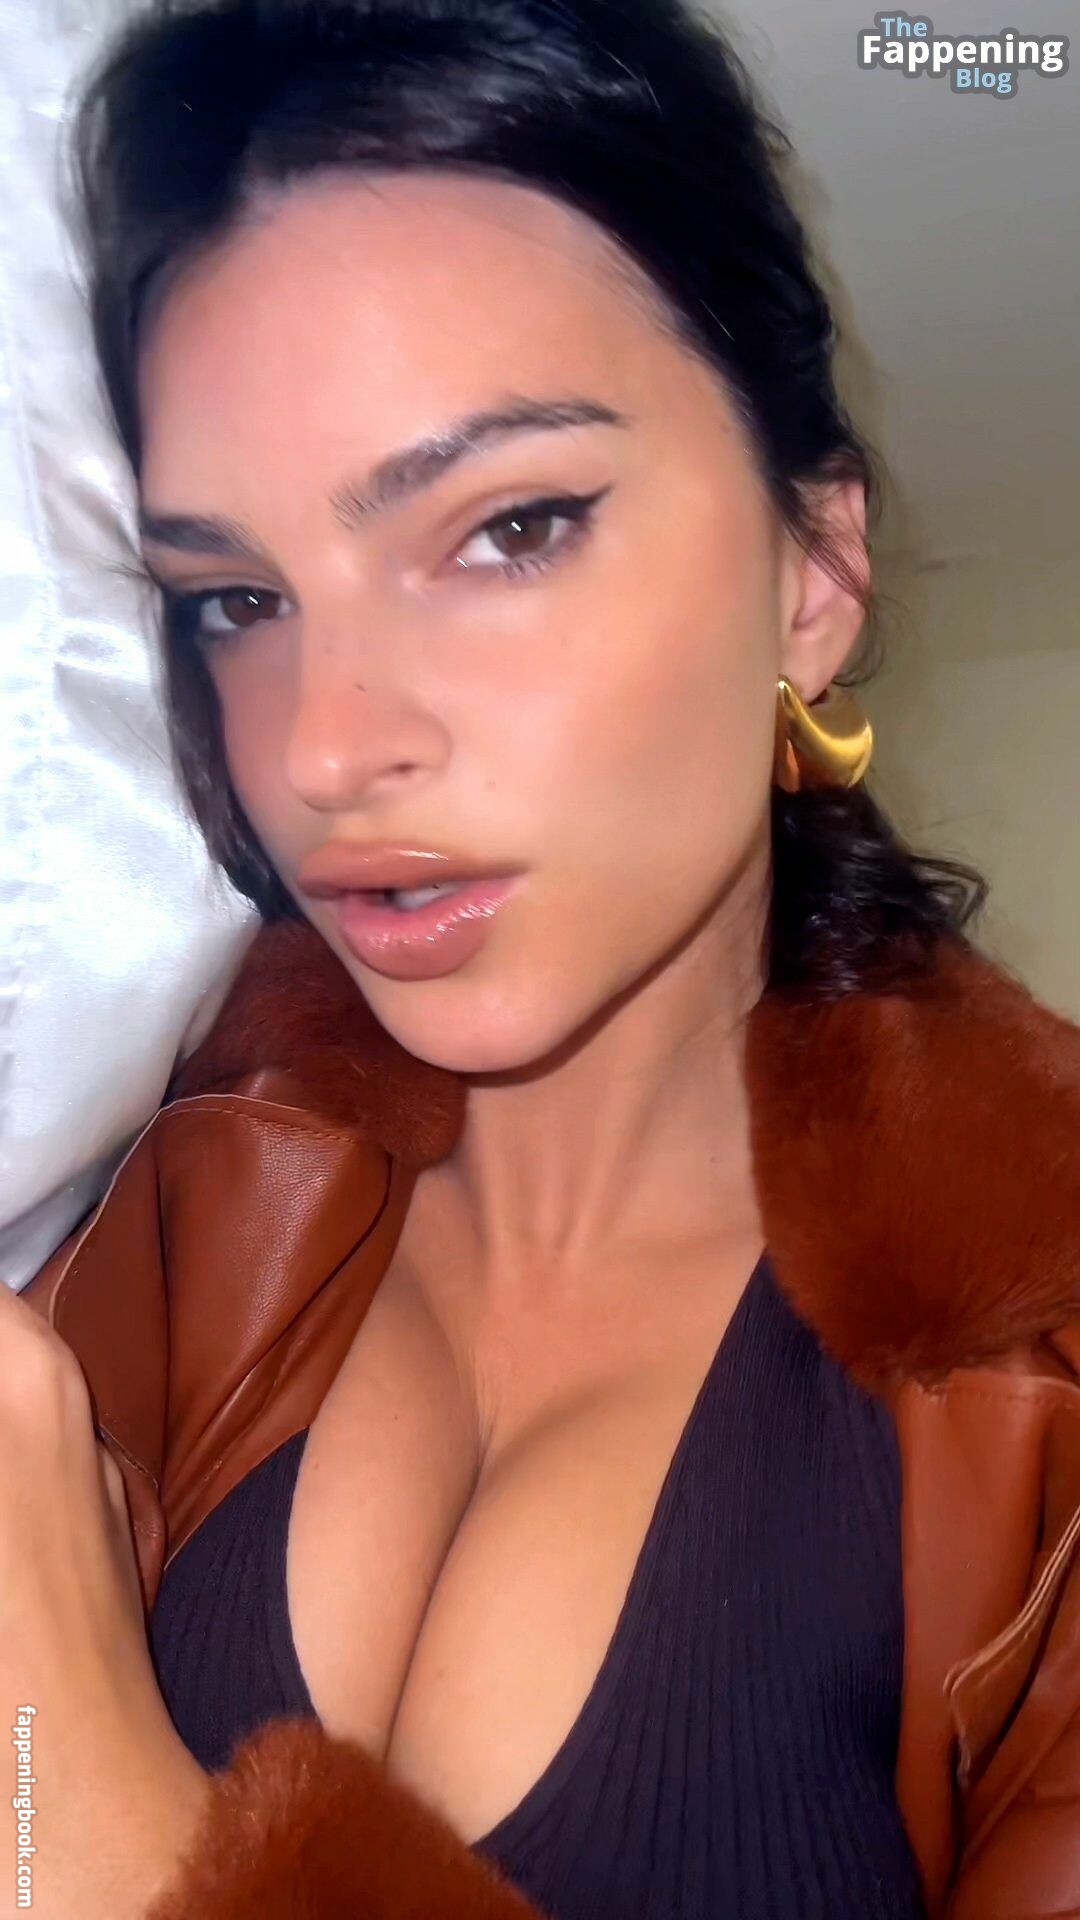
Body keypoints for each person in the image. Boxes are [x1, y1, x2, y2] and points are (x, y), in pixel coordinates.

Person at [6, 0, 1079, 1916]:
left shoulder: (1049, 1381)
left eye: (510, 529)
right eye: (237, 598)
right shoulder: (153, 1188)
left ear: (813, 575)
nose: (324, 748)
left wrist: (75, 1797)